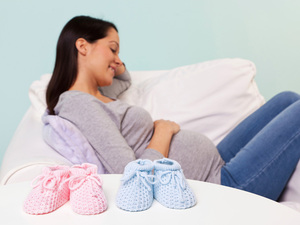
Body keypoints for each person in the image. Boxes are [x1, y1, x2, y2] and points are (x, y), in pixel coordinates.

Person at [44, 15, 300, 201]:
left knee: (287, 99)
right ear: (82, 46)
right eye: (113, 48)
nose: (118, 60)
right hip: (226, 187)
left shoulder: (97, 96)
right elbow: (132, 176)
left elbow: (124, 81)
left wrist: (113, 61)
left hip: (218, 163)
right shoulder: (78, 103)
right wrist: (163, 131)